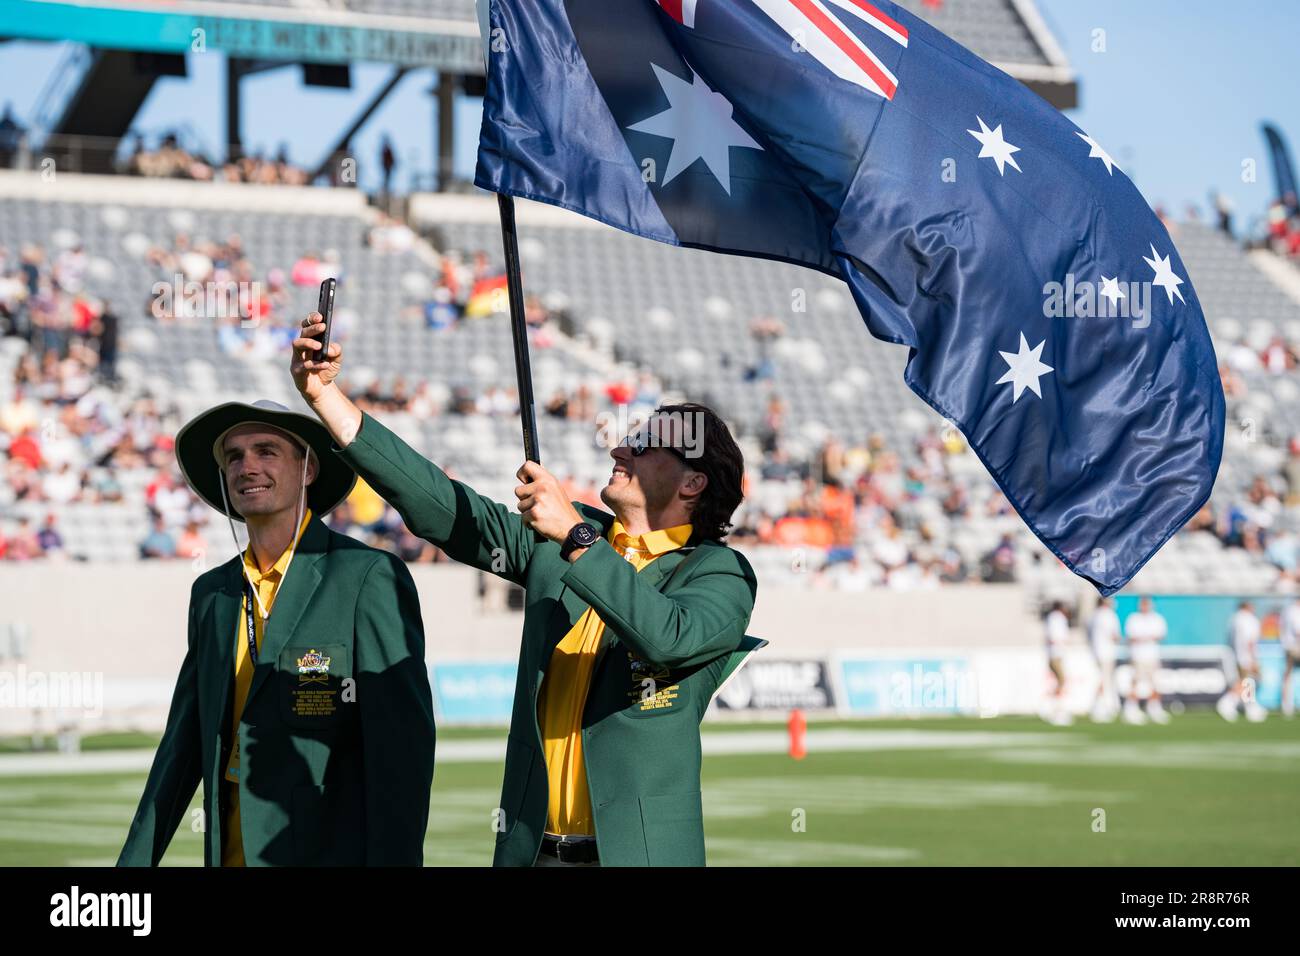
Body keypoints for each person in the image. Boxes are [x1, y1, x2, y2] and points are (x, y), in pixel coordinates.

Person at [293, 314, 759, 867]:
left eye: (643, 444)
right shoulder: (557, 542)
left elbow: (668, 639)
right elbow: (442, 506)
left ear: (693, 482)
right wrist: (328, 401)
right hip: (531, 854)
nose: (619, 451)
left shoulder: (718, 572)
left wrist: (579, 535)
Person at [118, 399, 435, 866]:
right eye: (234, 456)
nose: (247, 466)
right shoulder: (213, 592)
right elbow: (183, 747)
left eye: (267, 451)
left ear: (307, 470)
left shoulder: (367, 576)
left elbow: (401, 753)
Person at [1123, 596, 1170, 724]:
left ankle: (1154, 707)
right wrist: (1145, 637)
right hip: (1138, 656)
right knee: (1136, 683)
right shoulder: (1134, 618)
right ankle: (1131, 708)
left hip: (1152, 656)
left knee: (1155, 682)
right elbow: (1131, 636)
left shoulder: (1156, 618)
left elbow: (1161, 635)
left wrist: (1145, 637)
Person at [1218, 600, 1267, 723]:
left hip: (1233, 655)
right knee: (1247, 681)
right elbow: (1250, 642)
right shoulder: (1250, 620)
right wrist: (1253, 659)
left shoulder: (1234, 619)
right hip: (1244, 656)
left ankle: (1249, 707)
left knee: (1245, 682)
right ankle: (1228, 703)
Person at [1087, 596, 1121, 722]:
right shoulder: (1109, 615)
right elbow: (1115, 635)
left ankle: (1100, 706)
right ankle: (1099, 708)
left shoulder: (1093, 616)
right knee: (1104, 679)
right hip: (1106, 652)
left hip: (1096, 651)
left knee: (1102, 679)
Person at [1043, 601, 1071, 726]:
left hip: (1057, 654)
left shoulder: (1055, 618)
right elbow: (1054, 637)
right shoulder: (1056, 618)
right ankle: (1056, 710)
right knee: (1061, 680)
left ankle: (1054, 708)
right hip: (1056, 654)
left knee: (1060, 681)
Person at [1283, 597, 1300, 719]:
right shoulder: (1295, 611)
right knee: (1288, 676)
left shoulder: (1288, 611)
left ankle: (1287, 706)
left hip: (1289, 646)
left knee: (1288, 676)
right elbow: (1298, 631)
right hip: (1296, 647)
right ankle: (1288, 706)